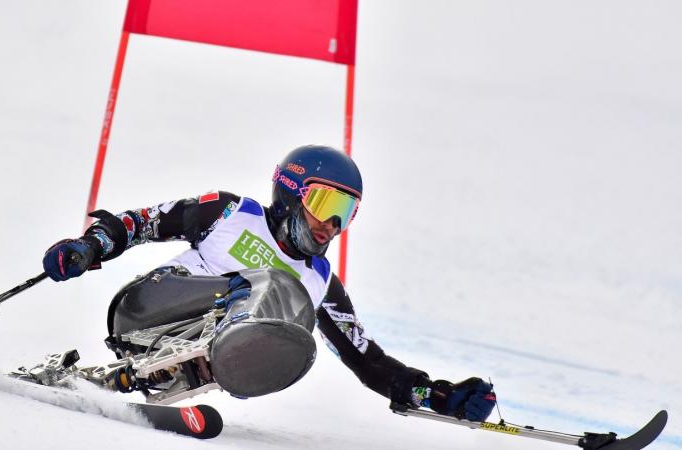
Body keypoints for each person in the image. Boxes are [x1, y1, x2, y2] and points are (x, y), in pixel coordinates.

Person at [41, 144, 497, 422]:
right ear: (291, 191)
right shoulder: (229, 212)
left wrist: (436, 395)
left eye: (346, 214)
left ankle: (142, 378)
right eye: (326, 203)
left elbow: (366, 360)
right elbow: (144, 223)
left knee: (294, 309)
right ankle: (205, 346)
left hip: (203, 352)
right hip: (147, 308)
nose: (331, 225)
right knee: (275, 285)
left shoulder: (321, 282)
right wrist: (92, 245)